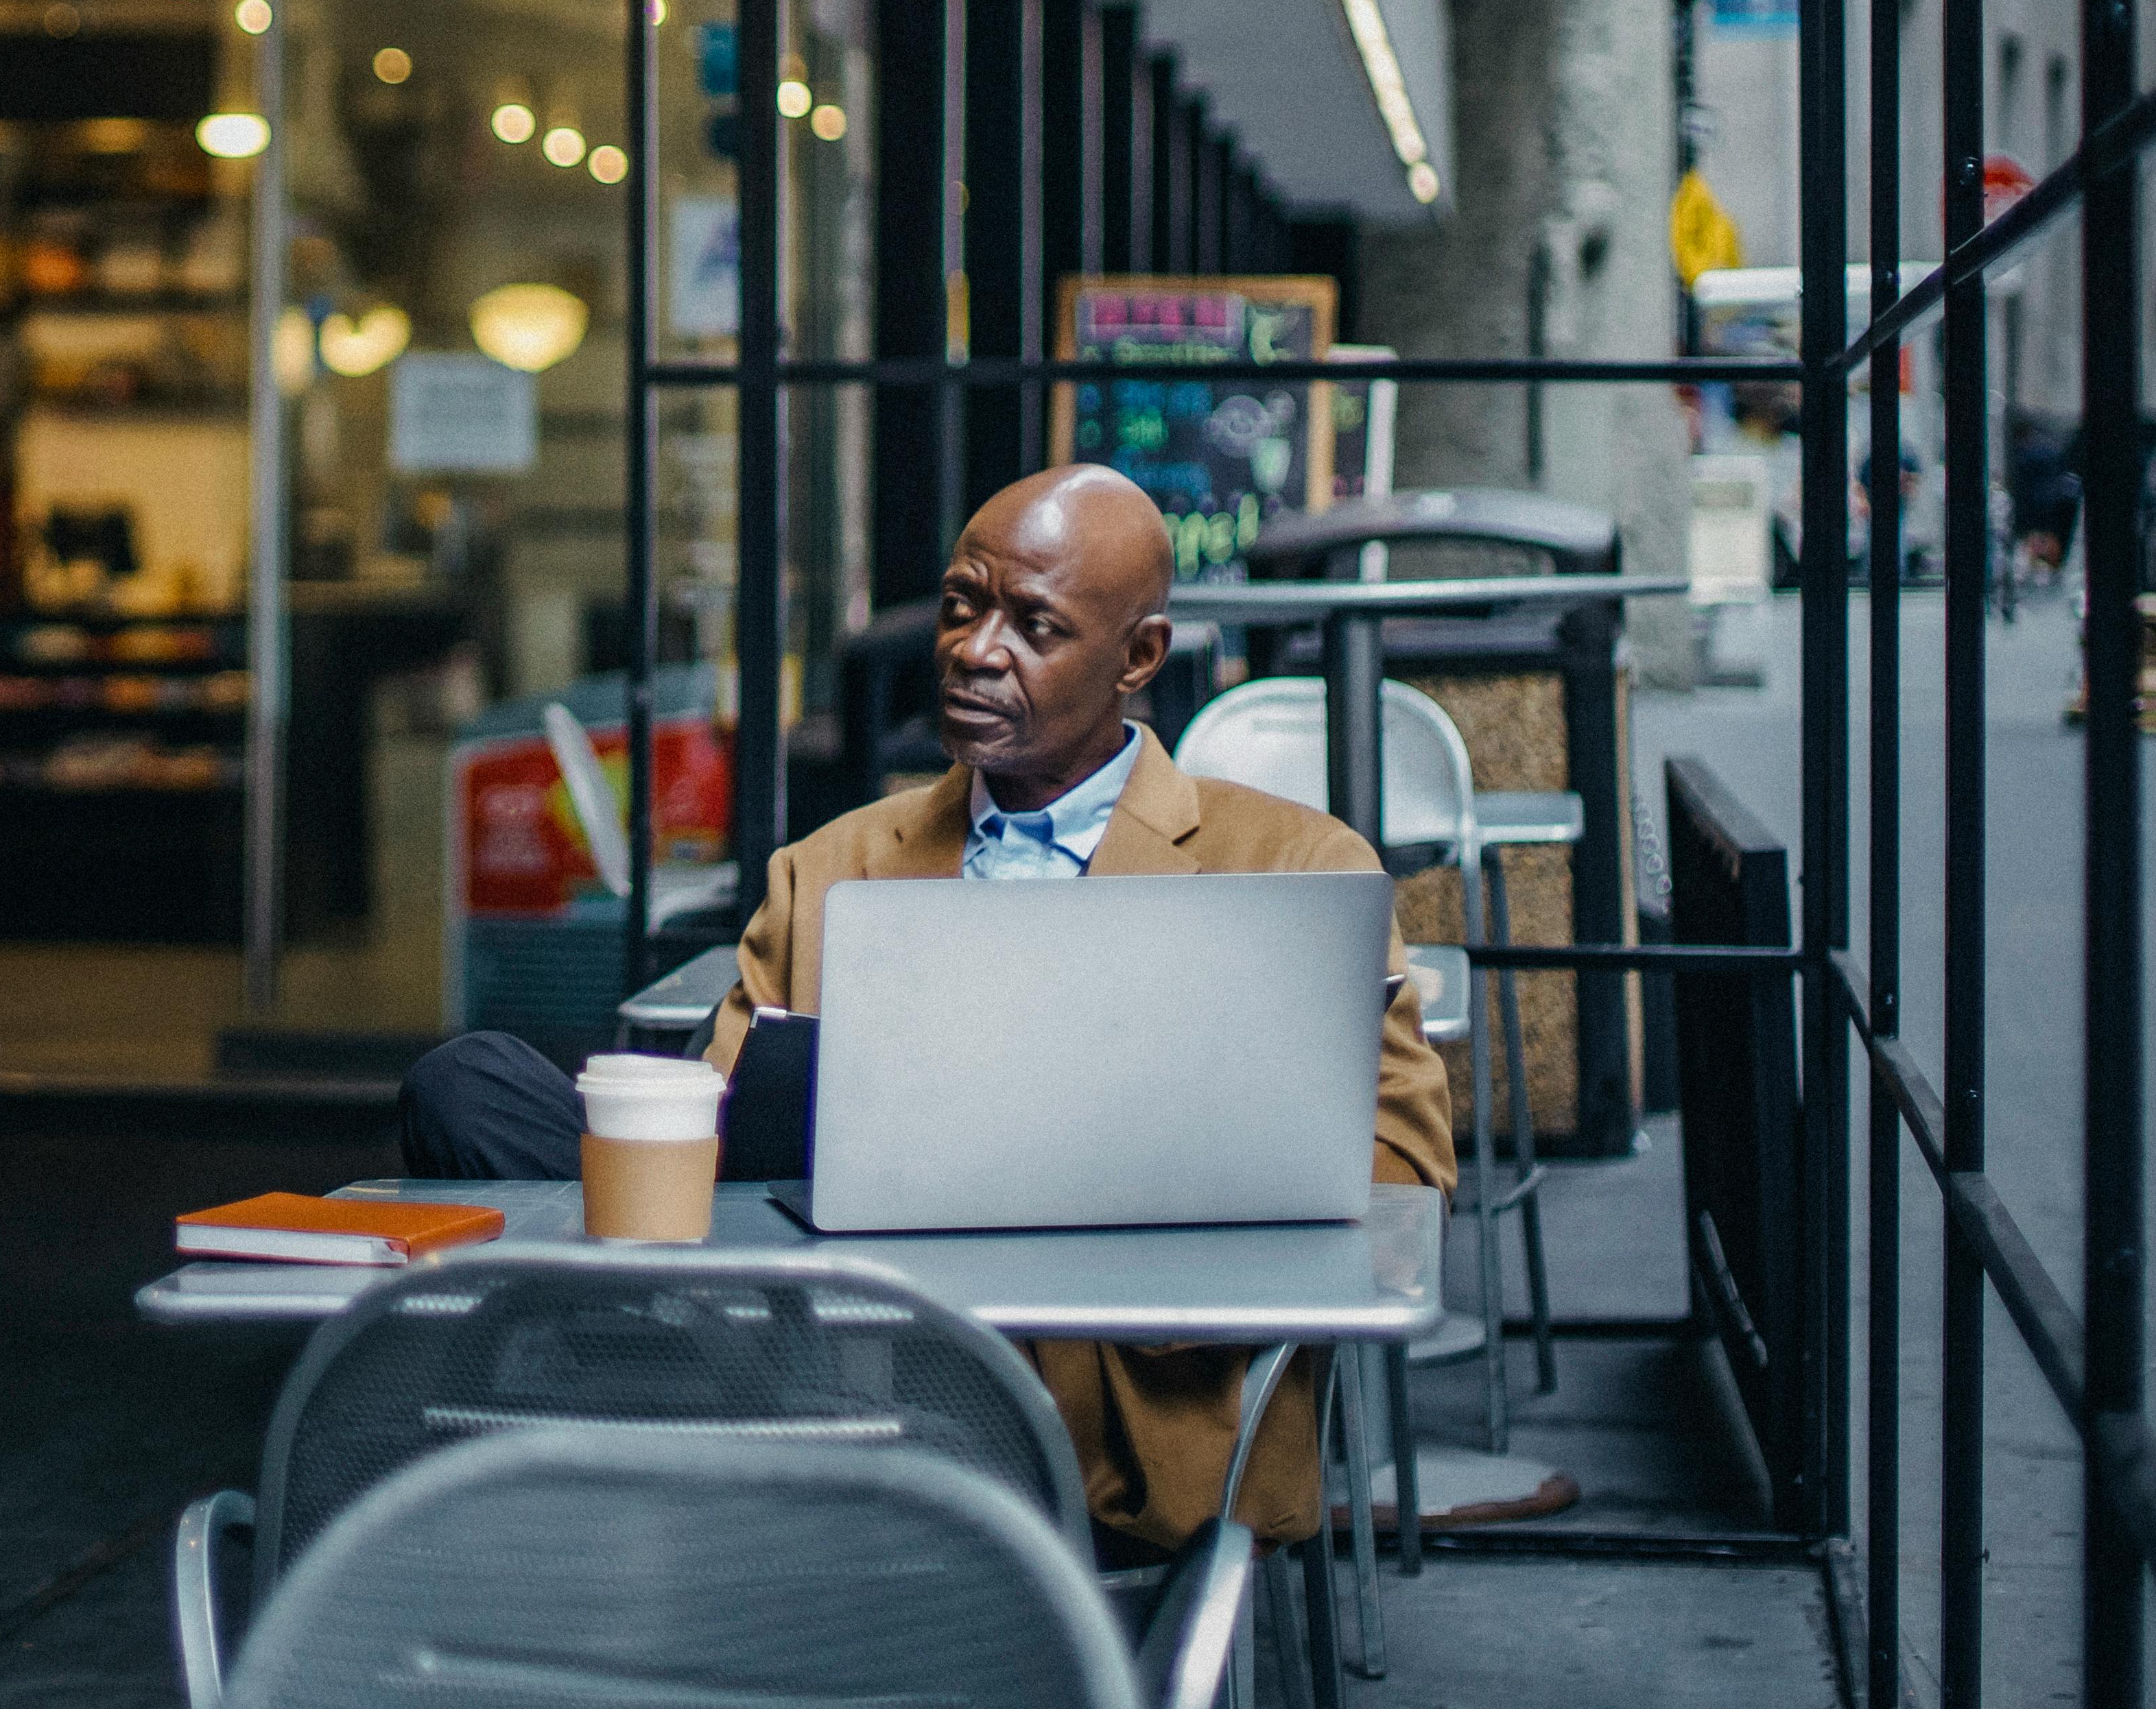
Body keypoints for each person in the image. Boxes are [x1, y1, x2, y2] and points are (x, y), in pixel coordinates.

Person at [398, 464, 1456, 1558]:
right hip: (841, 1359)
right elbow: (728, 1151)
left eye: (1034, 624)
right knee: (466, 1086)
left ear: (1138, 657)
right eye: (963, 604)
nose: (976, 648)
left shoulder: (1291, 870)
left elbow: (1402, 1182)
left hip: (1110, 1414)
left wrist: (1088, 1201)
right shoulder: (832, 868)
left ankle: (676, 1467)